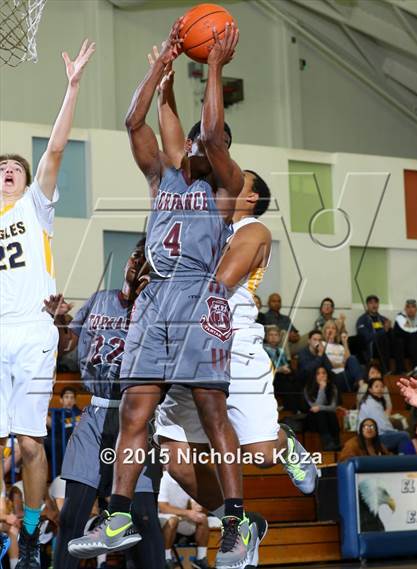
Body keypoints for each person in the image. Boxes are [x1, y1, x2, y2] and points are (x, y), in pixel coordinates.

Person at [70, 22, 254, 569]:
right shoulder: (161, 178)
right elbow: (134, 120)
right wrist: (161, 68)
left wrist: (212, 67)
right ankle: (119, 514)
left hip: (199, 296)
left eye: (206, 140)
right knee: (135, 411)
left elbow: (217, 134)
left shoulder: (224, 184)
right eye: (194, 138)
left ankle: (240, 523)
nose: (199, 142)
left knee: (209, 407)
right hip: (153, 301)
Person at [149, 34, 317, 566]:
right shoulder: (196, 199)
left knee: (259, 453)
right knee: (175, 459)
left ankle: (283, 441)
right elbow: (177, 145)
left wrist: (214, 68)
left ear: (249, 197)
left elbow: (216, 283)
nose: (224, 179)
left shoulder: (252, 231)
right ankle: (242, 521)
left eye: (235, 181)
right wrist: (165, 85)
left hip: (231, 345)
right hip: (184, 342)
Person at [0, 39, 95, 569]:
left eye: (15, 166)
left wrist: (73, 85)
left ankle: (34, 534)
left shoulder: (35, 208)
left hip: (32, 329)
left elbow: (55, 150)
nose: (9, 170)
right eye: (2, 167)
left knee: (31, 444)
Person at [45, 243, 165, 569]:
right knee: (72, 515)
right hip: (96, 412)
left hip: (135, 417)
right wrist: (58, 320)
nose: (137, 265)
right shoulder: (100, 300)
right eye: (135, 257)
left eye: (147, 264)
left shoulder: (157, 312)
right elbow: (69, 340)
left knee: (141, 518)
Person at [158, 472, 211, 569]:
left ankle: (201, 558)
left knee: (202, 518)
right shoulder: (164, 478)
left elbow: (194, 504)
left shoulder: (190, 479)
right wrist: (188, 512)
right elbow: (163, 507)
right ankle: (166, 559)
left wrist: (198, 507)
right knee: (172, 520)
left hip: (182, 518)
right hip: (162, 517)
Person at [358, 378, 415, 454]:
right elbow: (382, 426)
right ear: (370, 390)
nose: (380, 389)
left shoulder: (374, 402)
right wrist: (395, 431)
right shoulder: (370, 403)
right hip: (375, 437)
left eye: (382, 386)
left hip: (378, 435)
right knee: (404, 435)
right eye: (376, 386)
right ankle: (406, 462)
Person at [264, 326, 304, 412]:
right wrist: (279, 369)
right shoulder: (263, 350)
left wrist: (287, 369)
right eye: (270, 335)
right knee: (286, 384)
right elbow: (265, 368)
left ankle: (301, 408)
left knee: (298, 381)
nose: (273, 337)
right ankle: (293, 410)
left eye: (276, 335)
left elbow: (286, 363)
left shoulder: (280, 350)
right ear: (266, 337)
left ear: (279, 338)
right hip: (272, 376)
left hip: (283, 374)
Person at [44, 387, 82, 475]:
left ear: (75, 401)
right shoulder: (56, 414)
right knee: (54, 443)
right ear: (61, 400)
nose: (69, 400)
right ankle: (58, 477)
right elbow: (53, 425)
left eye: (72, 398)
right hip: (58, 442)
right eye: (66, 397)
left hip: (74, 442)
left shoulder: (80, 414)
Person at [304, 366, 341, 451]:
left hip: (328, 417)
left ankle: (336, 442)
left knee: (330, 413)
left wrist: (320, 407)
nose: (321, 375)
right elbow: (314, 407)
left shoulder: (332, 387)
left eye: (324, 373)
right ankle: (328, 443)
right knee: (320, 414)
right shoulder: (308, 389)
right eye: (318, 373)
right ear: (314, 376)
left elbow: (333, 407)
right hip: (313, 420)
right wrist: (321, 389)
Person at [321, 320, 364, 392]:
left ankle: (362, 386)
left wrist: (345, 342)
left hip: (344, 372)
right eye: (328, 328)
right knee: (344, 375)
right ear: (325, 331)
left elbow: (349, 360)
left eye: (333, 328)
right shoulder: (321, 344)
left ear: (336, 333)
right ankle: (358, 387)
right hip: (332, 374)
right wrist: (341, 365)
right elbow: (325, 362)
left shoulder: (340, 347)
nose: (330, 330)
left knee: (353, 358)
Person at [356, 295, 392, 372]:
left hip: (385, 346)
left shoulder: (383, 319)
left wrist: (389, 327)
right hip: (371, 347)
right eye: (371, 303)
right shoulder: (362, 320)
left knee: (397, 336)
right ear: (367, 305)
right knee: (382, 338)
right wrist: (383, 330)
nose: (374, 305)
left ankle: (400, 369)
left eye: (376, 302)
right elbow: (367, 337)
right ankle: (386, 370)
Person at [393, 299, 417, 373]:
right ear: (405, 309)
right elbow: (406, 332)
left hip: (415, 347)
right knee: (410, 338)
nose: (411, 309)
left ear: (416, 309)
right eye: (408, 307)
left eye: (413, 307)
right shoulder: (400, 317)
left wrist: (412, 329)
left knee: (414, 339)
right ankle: (402, 370)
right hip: (403, 347)